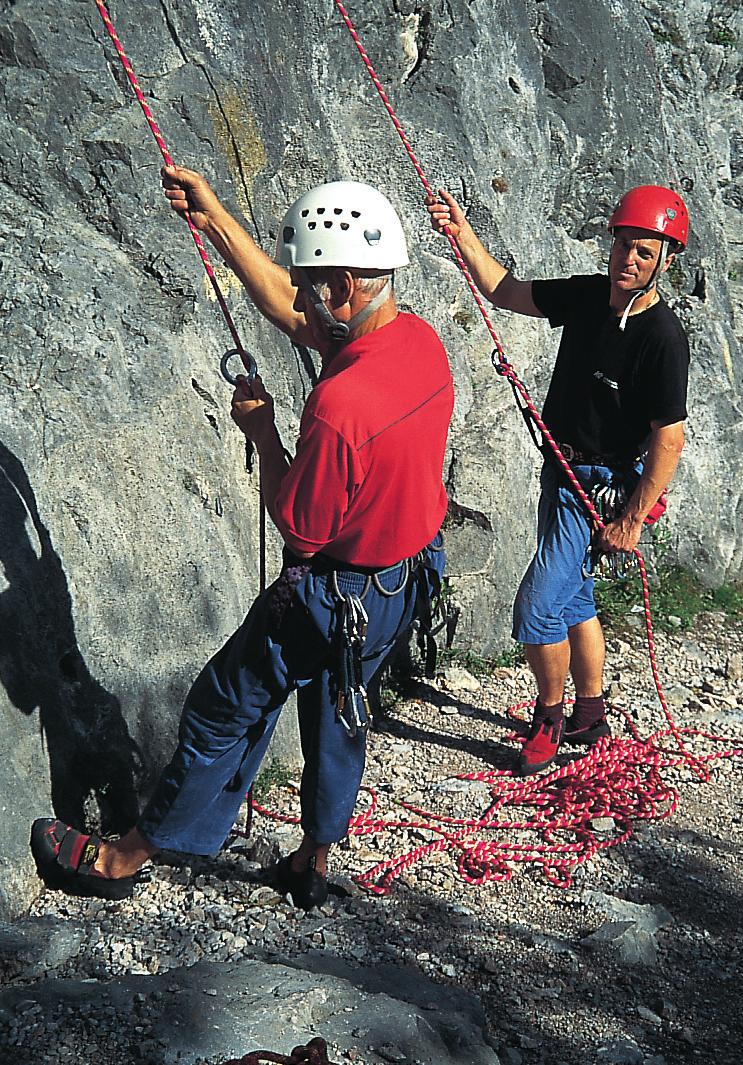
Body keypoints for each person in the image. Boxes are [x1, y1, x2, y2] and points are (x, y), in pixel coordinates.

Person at [31, 171, 454, 909]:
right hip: (397, 584)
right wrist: (215, 219)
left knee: (223, 708)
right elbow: (296, 316)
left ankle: (123, 859)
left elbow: (300, 525)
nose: (304, 297)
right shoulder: (416, 341)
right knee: (339, 715)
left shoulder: (340, 404)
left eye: (315, 284)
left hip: (330, 594)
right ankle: (313, 861)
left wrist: (262, 432)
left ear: (347, 284)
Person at [427, 183, 689, 775]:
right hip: (563, 469)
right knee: (573, 597)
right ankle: (591, 712)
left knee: (537, 607)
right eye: (624, 245)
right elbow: (505, 290)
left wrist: (630, 519)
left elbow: (667, 437)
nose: (629, 260)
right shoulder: (589, 297)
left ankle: (548, 717)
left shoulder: (663, 339)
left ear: (664, 261)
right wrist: (461, 231)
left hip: (600, 482)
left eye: (644, 253)